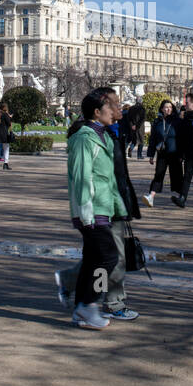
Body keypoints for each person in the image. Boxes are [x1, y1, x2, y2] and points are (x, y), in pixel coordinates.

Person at [63, 88, 128, 330]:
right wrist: (86, 211)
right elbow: (81, 177)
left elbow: (107, 179)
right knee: (108, 257)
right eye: (111, 108)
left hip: (103, 207)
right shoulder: (84, 137)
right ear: (97, 112)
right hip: (91, 209)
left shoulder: (103, 136)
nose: (115, 112)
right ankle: (89, 304)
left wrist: (117, 206)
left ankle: (83, 307)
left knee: (92, 259)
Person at [143, 99, 182, 207]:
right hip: (162, 153)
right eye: (166, 107)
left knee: (177, 175)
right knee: (159, 175)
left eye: (170, 107)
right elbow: (153, 139)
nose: (168, 109)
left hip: (174, 153)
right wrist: (151, 155)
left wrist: (182, 154)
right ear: (162, 109)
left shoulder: (177, 121)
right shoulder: (157, 122)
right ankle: (151, 196)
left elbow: (182, 138)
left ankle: (182, 197)